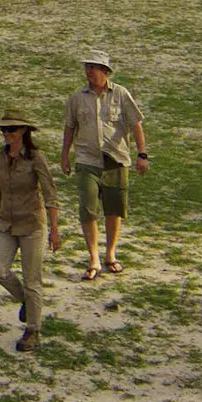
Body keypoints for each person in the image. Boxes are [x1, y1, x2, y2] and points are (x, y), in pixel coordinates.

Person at [59, 50, 149, 278]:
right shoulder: (77, 97)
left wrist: (142, 154)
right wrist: (65, 155)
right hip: (87, 160)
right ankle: (93, 257)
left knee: (114, 209)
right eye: (87, 66)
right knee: (88, 209)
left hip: (116, 159)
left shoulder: (120, 94)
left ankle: (110, 254)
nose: (89, 71)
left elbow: (136, 124)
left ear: (105, 71)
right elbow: (70, 126)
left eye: (94, 66)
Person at [0, 112, 61, 351]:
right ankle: (28, 303)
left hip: (31, 224)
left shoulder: (36, 157)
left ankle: (33, 329)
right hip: (6, 222)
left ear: (22, 132)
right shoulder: (1, 155)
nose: (6, 135)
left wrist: (54, 230)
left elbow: (50, 193)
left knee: (32, 280)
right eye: (4, 131)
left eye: (11, 130)